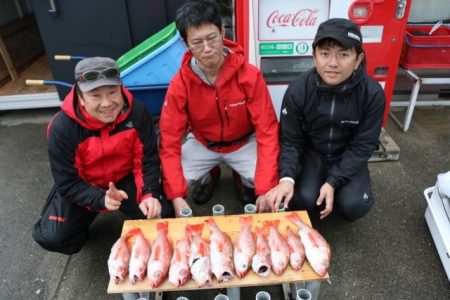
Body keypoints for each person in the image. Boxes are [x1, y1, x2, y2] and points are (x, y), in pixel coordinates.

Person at [32, 57, 174, 255]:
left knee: (163, 214)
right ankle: (81, 225)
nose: (107, 103)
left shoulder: (137, 112)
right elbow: (67, 181)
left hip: (125, 180)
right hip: (84, 184)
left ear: (121, 88)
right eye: (95, 95)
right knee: (53, 237)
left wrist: (150, 193)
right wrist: (99, 199)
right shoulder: (62, 128)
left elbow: (147, 160)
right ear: (81, 98)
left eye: (112, 92)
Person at [159, 0, 279, 216]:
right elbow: (169, 140)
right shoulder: (179, 83)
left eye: (212, 38)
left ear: (223, 31)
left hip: (244, 142)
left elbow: (267, 131)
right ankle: (209, 174)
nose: (207, 49)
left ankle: (243, 178)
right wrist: (176, 196)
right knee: (165, 191)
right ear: (186, 44)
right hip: (203, 143)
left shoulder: (250, 76)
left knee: (274, 192)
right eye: (197, 42)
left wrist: (265, 188)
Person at [266, 18, 385, 221]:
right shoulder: (298, 89)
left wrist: (332, 181)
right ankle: (317, 189)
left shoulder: (372, 94)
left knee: (355, 205)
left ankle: (337, 191)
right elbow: (291, 140)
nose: (332, 63)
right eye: (324, 54)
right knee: (301, 198)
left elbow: (363, 146)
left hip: (346, 154)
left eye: (344, 55)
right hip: (313, 154)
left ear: (358, 59)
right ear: (314, 57)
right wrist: (286, 178)